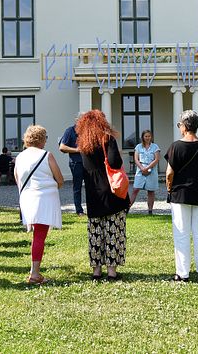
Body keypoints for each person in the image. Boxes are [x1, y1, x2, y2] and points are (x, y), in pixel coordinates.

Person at [76, 110, 130, 281]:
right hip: (111, 191)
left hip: (93, 193)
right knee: (114, 231)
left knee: (95, 233)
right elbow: (115, 162)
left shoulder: (84, 144)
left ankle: (96, 271)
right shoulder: (107, 139)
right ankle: (112, 272)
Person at [164, 110, 198, 282]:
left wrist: (170, 189)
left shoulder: (175, 147)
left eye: (179, 125)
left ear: (185, 126)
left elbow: (169, 173)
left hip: (180, 195)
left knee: (181, 234)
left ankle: (182, 273)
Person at [14, 125, 64, 284]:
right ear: (42, 139)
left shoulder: (20, 156)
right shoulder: (47, 155)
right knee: (39, 236)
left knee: (38, 235)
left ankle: (34, 271)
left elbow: (17, 179)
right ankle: (34, 273)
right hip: (44, 199)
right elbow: (60, 179)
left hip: (27, 198)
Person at [59, 114, 85, 216]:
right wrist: (77, 150)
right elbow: (62, 147)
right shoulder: (70, 131)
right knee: (77, 187)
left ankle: (92, 208)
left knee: (91, 186)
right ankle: (79, 210)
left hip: (88, 163)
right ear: (77, 121)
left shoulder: (87, 131)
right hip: (76, 163)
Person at [130, 130, 160, 214]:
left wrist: (148, 167)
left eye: (149, 136)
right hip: (140, 169)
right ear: (143, 137)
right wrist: (142, 168)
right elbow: (136, 159)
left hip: (152, 170)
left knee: (150, 191)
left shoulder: (155, 147)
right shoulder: (138, 147)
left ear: (151, 137)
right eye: (146, 136)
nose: (147, 138)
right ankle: (127, 208)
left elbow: (157, 159)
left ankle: (150, 210)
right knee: (135, 189)